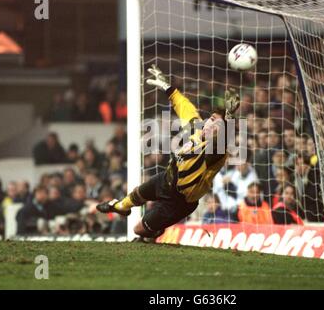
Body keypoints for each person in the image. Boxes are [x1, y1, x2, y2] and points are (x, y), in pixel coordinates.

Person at [96, 64, 240, 238]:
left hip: (180, 201)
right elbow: (184, 107)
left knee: (138, 230)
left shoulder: (215, 152)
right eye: (211, 119)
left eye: (218, 124)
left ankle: (154, 231)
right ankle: (120, 207)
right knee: (133, 198)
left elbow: (224, 140)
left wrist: (230, 118)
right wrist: (168, 88)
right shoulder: (197, 129)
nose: (211, 124)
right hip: (167, 178)